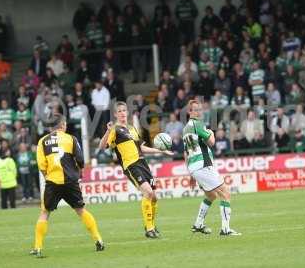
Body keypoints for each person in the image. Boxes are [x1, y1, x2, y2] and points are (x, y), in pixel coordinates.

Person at [30, 114, 104, 257]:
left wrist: (48, 177)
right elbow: (81, 160)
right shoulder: (71, 139)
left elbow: (41, 166)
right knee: (81, 210)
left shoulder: (42, 142)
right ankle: (98, 240)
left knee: (45, 213)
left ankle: (38, 247)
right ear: (63, 125)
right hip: (71, 181)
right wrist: (79, 171)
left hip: (52, 182)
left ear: (51, 126)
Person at [99, 102, 173, 239]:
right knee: (148, 192)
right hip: (131, 165)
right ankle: (149, 229)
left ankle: (150, 225)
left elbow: (142, 148)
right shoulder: (114, 130)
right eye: (119, 111)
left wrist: (161, 151)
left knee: (154, 198)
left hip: (142, 163)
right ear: (115, 114)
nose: (122, 113)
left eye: (124, 110)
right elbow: (102, 146)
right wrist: (108, 131)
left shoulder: (132, 128)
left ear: (127, 112)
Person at [183, 99, 239, 236]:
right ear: (189, 112)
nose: (198, 112)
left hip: (194, 167)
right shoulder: (198, 124)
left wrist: (191, 174)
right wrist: (211, 132)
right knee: (225, 193)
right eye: (195, 109)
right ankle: (225, 229)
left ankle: (198, 224)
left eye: (199, 109)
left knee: (211, 195)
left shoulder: (185, 129)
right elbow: (212, 142)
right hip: (203, 164)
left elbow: (186, 153)